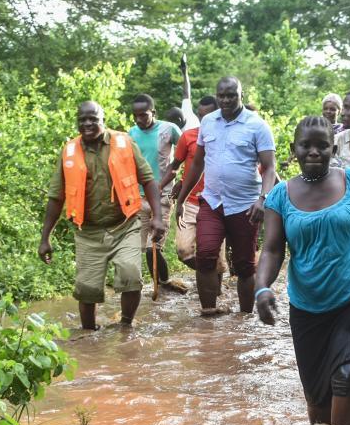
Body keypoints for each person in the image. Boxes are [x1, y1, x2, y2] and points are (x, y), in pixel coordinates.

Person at [255, 116, 350, 425]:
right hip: (307, 310)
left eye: (321, 145)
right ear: (294, 149)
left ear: (333, 148)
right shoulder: (279, 195)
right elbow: (273, 250)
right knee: (319, 410)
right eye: (306, 145)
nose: (314, 152)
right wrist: (262, 288)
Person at [39, 102, 163, 330]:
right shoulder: (69, 150)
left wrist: (157, 216)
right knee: (87, 289)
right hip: (88, 232)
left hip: (125, 225)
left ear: (103, 119)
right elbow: (56, 197)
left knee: (130, 275)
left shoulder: (124, 143)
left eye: (93, 119)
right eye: (82, 119)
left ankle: (125, 326)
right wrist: (45, 238)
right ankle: (88, 334)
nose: (87, 124)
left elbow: (148, 179)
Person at [175, 76, 277, 315]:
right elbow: (197, 163)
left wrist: (263, 200)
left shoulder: (257, 125)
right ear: (217, 95)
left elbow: (270, 168)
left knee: (244, 265)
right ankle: (209, 314)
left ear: (241, 94)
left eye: (232, 95)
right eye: (222, 95)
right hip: (212, 201)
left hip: (245, 205)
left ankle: (244, 317)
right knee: (206, 255)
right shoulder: (208, 122)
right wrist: (181, 199)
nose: (227, 100)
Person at [164, 96, 229, 285]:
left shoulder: (228, 136)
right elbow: (175, 165)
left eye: (207, 115)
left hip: (218, 202)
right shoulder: (189, 136)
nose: (203, 120)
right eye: (200, 116)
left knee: (216, 254)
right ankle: (208, 278)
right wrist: (163, 186)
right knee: (184, 250)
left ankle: (215, 290)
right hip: (191, 201)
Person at [129, 93, 186, 294]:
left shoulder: (169, 129)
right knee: (141, 247)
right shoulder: (131, 133)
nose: (138, 120)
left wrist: (182, 180)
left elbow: (189, 153)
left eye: (143, 115)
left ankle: (163, 283)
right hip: (139, 196)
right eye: (135, 115)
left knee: (154, 246)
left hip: (163, 194)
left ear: (153, 112)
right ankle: (159, 284)